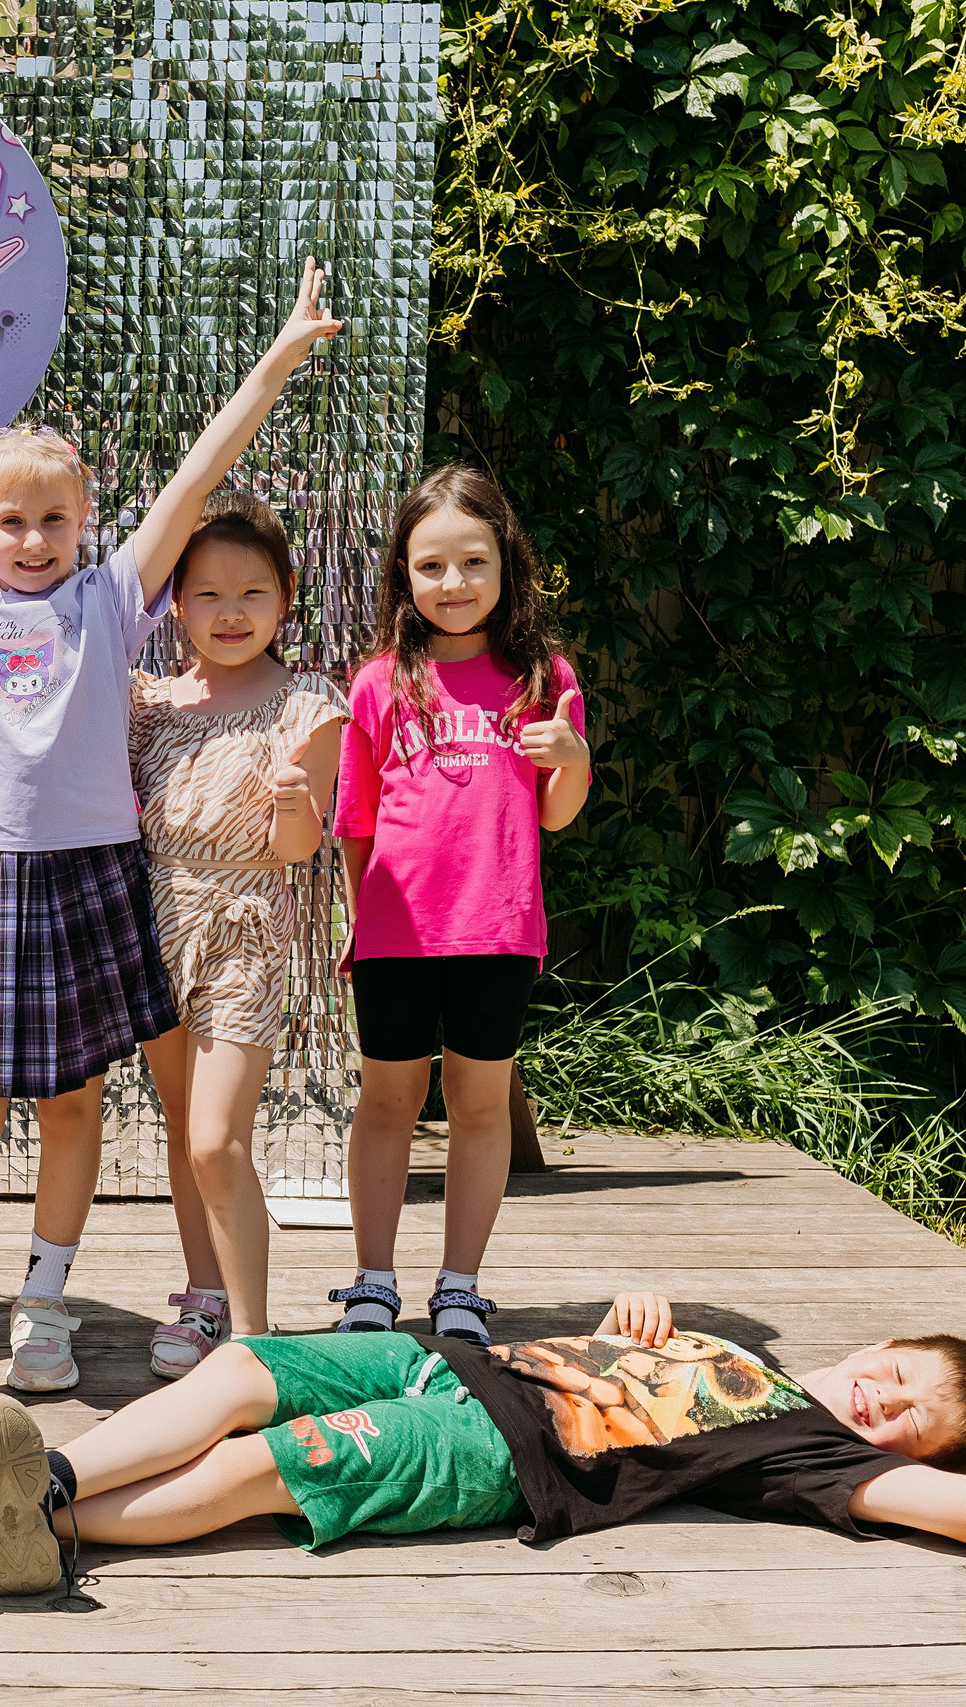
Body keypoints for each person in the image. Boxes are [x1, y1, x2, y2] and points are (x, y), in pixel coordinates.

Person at [0, 231, 344, 1458]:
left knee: (78, 1100)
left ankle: (44, 1302)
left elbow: (198, 479)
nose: (31, 539)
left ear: (86, 524)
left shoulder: (109, 598)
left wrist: (277, 362)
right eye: (9, 521)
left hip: (90, 873)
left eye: (52, 519)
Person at [0, 1293, 966, 1595]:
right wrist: (630, 1319)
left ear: (907, 1461)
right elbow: (622, 1370)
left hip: (490, 1449)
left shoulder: (814, 1454)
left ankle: (40, 1531)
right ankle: (46, 1480)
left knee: (267, 1471)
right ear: (882, 1342)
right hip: (447, 1362)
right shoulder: (757, 1368)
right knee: (245, 1369)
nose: (881, 1400)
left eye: (906, 1422)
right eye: (896, 1376)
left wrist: (904, 1471)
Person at [328, 465, 593, 1345]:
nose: (454, 584)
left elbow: (555, 812)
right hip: (396, 936)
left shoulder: (544, 678)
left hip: (498, 931)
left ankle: (460, 1285)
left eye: (473, 562)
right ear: (403, 573)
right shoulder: (377, 683)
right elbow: (356, 826)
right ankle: (370, 1281)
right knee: (386, 1102)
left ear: (507, 564)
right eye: (431, 565)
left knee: (481, 1109)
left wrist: (576, 758)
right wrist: (363, 925)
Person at [129, 496, 347, 1378]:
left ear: (286, 597)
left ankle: (255, 1339)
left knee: (218, 1134)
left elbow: (298, 851)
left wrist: (298, 809)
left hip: (246, 926)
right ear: (175, 603)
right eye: (208, 592)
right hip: (156, 920)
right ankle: (202, 1294)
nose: (230, 612)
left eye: (252, 591)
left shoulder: (308, 704)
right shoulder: (147, 700)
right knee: (186, 1130)